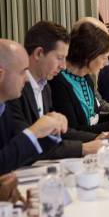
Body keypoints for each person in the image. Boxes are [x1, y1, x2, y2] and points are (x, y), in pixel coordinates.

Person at [7, 21, 104, 160]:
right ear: (39, 53)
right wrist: (83, 148)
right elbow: (28, 143)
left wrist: (96, 137)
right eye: (60, 58)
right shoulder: (14, 90)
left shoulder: (45, 86)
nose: (63, 66)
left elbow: (57, 132)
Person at [0, 39, 68, 175]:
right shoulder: (11, 103)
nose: (26, 79)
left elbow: (14, 153)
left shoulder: (4, 106)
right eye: (22, 72)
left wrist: (52, 129)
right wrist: (34, 131)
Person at [49, 21, 109, 134]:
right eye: (104, 57)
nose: (107, 63)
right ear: (88, 55)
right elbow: (72, 131)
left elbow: (92, 121)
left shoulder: (86, 78)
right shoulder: (58, 83)